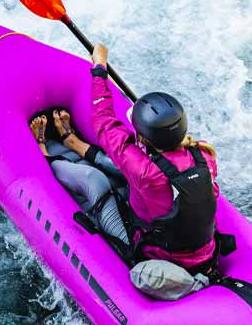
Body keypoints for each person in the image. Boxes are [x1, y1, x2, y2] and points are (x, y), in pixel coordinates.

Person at [87, 43, 221, 274]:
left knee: (94, 183)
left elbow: (103, 122)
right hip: (204, 254)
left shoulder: (143, 170)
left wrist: (99, 67)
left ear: (142, 137)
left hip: (159, 257)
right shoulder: (204, 156)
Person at [29, 108, 131, 256]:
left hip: (132, 242)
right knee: (135, 170)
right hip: (146, 219)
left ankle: (45, 155)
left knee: (93, 178)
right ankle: (73, 142)